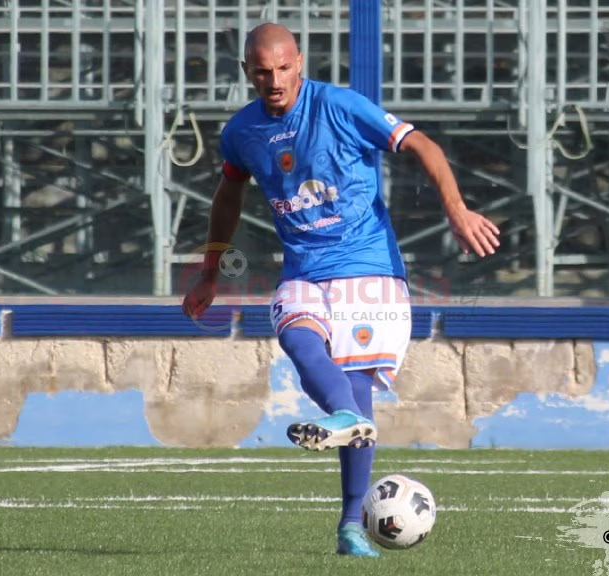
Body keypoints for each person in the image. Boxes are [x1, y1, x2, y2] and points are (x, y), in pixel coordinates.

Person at [182, 23, 500, 557]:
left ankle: (352, 525)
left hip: (368, 268)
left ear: (300, 62)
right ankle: (343, 420)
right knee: (293, 330)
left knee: (354, 388)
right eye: (262, 71)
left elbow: (420, 143)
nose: (274, 80)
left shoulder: (340, 106)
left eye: (283, 68)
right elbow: (228, 193)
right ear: (246, 72)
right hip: (304, 270)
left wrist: (457, 210)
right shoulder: (241, 132)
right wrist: (210, 271)